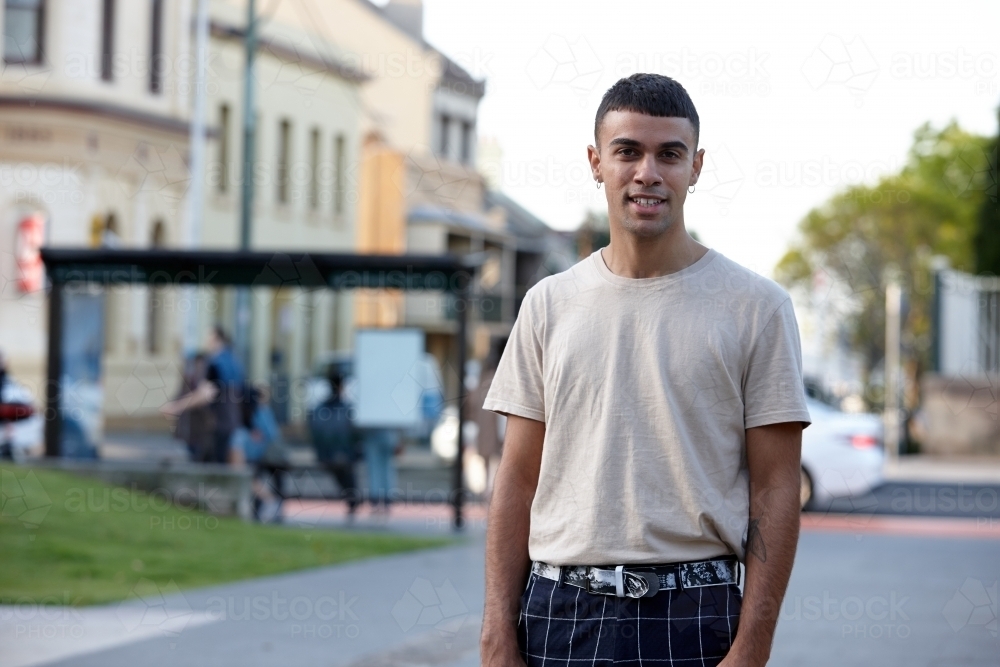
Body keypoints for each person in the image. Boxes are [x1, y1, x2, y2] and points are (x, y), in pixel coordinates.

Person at [480, 74, 811, 667]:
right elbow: (517, 480)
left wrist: (753, 647)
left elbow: (776, 488)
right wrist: (496, 632)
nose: (647, 173)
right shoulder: (548, 305)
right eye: (628, 151)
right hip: (558, 613)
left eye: (670, 154)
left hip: (697, 616)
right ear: (595, 162)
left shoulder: (756, 307)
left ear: (697, 166)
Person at [308, 372, 361, 517]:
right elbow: (349, 433)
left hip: (326, 453)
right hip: (339, 453)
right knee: (346, 468)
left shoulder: (320, 408)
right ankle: (352, 499)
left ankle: (352, 499)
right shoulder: (344, 408)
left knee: (344, 470)